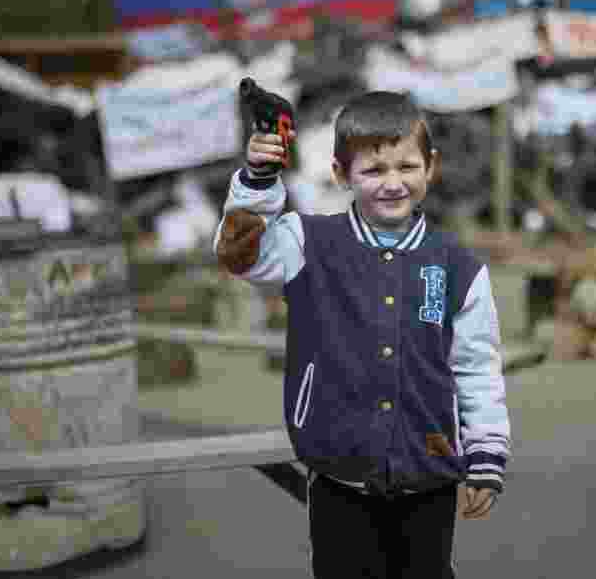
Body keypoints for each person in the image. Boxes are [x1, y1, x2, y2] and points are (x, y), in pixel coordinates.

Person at [213, 91, 511, 578]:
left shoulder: (457, 266)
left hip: (429, 472)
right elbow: (240, 257)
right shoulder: (307, 243)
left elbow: (476, 367)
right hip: (337, 473)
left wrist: (486, 454)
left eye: (406, 167)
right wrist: (257, 180)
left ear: (430, 167)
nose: (392, 183)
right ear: (340, 173)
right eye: (373, 171)